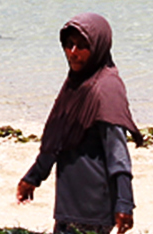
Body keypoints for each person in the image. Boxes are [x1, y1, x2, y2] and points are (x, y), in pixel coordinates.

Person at [15, 12, 142, 233]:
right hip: (67, 204)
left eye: (82, 46)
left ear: (99, 47)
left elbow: (118, 154)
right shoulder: (76, 83)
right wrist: (33, 177)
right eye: (69, 44)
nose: (73, 52)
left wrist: (124, 203)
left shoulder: (107, 89)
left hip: (94, 207)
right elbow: (59, 139)